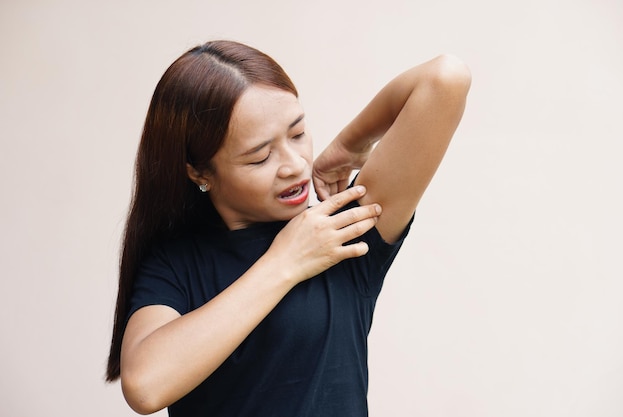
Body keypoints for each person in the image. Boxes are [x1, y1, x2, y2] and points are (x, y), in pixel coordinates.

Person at [106, 40, 471, 416]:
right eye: (261, 157)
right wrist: (284, 263)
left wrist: (350, 144)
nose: (294, 165)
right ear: (200, 172)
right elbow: (146, 387)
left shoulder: (340, 233)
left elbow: (446, 78)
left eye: (297, 134)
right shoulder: (175, 262)